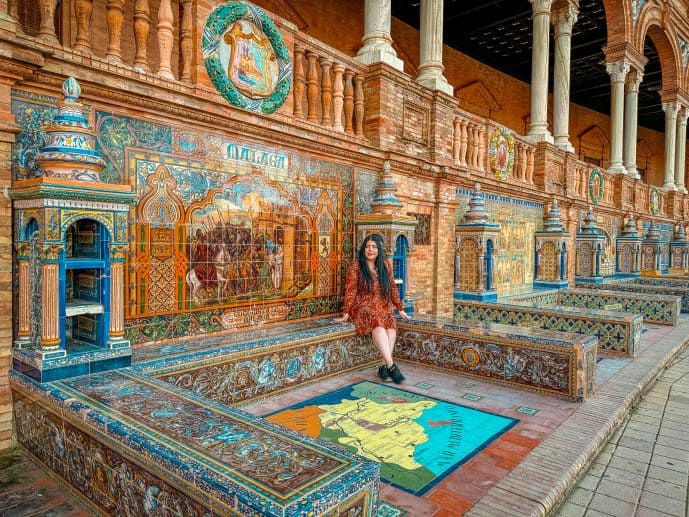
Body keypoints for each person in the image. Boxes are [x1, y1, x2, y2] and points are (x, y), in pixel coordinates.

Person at [334, 235, 410, 383]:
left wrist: (399, 308)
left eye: (374, 247)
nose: (370, 249)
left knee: (391, 327)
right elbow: (350, 290)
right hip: (362, 305)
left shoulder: (385, 265)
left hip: (381, 303)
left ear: (379, 249)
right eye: (368, 246)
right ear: (363, 249)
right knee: (377, 322)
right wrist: (346, 312)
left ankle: (384, 366)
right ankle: (392, 366)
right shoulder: (356, 266)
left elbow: (393, 287)